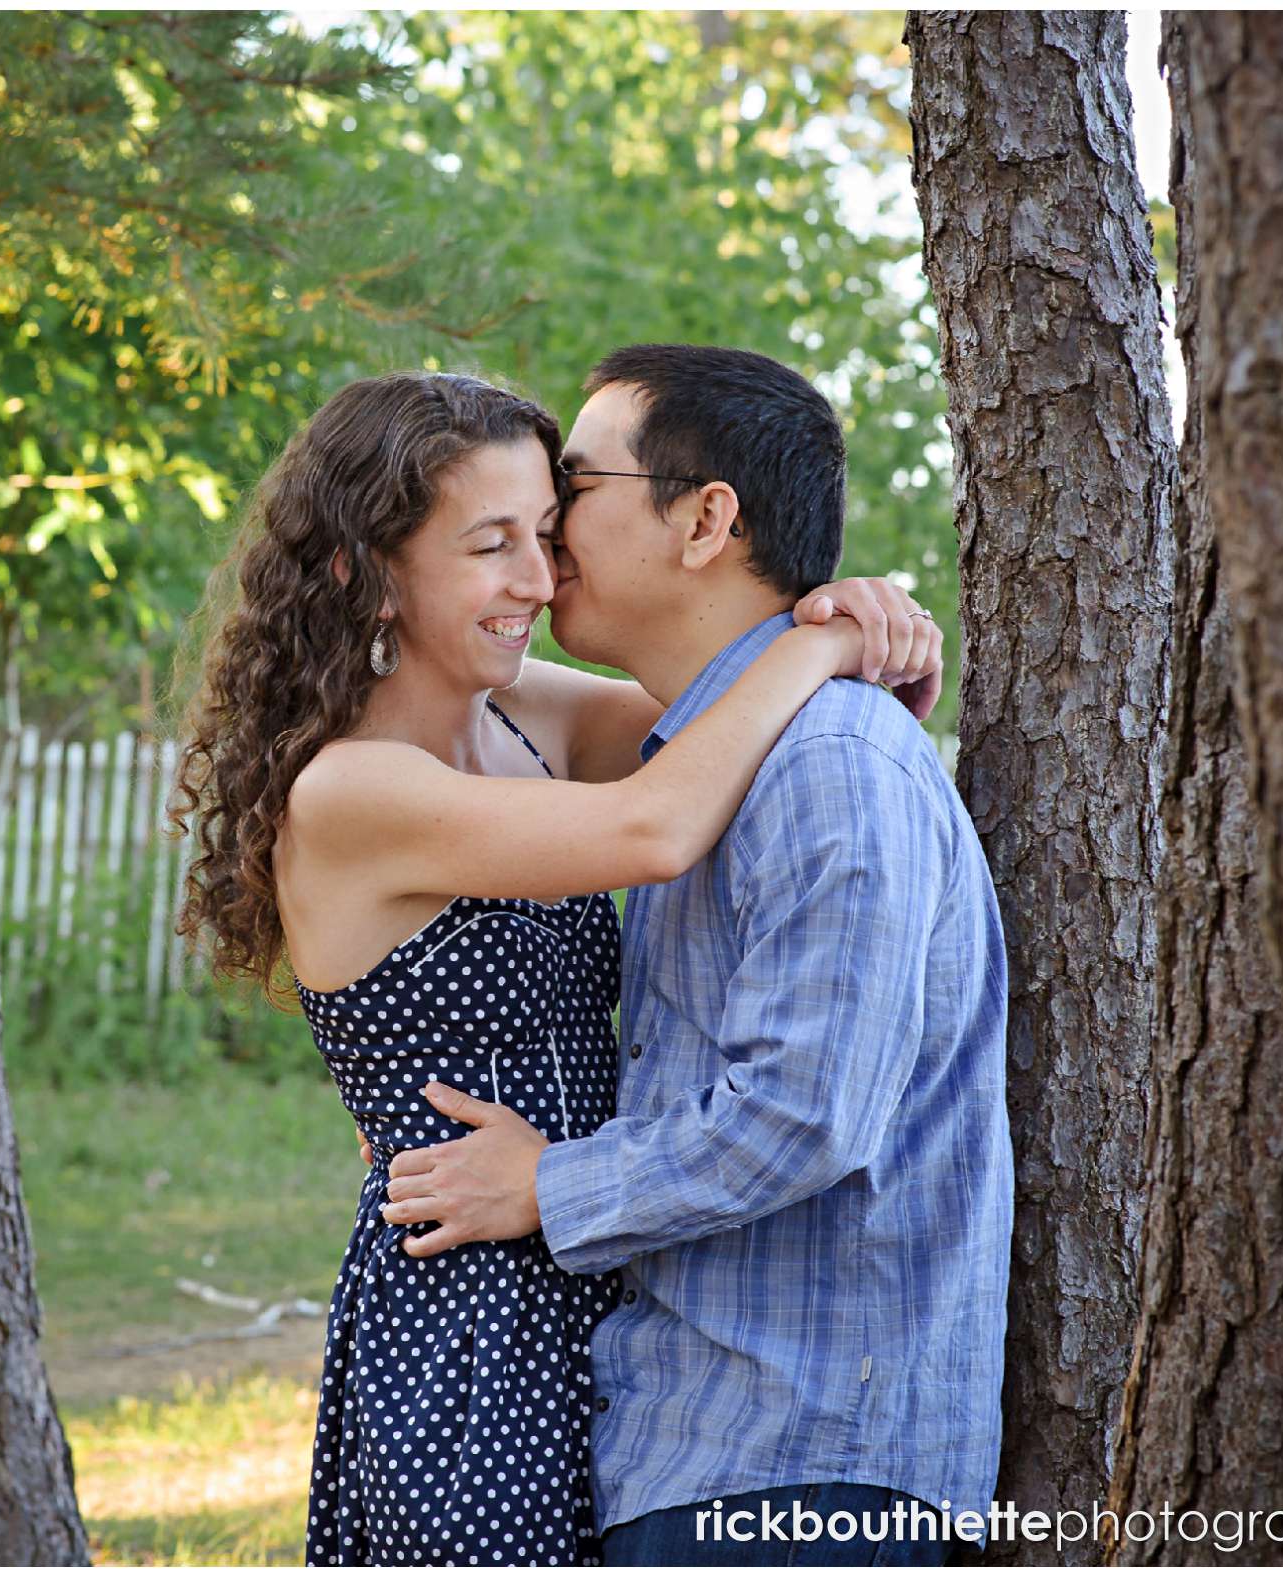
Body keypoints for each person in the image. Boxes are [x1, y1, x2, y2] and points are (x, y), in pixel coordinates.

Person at [169, 368, 944, 1566]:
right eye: (490, 546)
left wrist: (845, 627)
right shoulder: (350, 790)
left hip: (604, 1268)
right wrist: (823, 639)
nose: (537, 579)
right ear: (362, 567)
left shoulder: (524, 715)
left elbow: (720, 712)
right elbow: (657, 823)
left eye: (544, 532)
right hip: (472, 1313)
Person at [377, 345, 1014, 1566]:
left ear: (704, 517)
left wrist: (542, 1184)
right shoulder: (714, 751)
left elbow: (803, 1111)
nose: (552, 525)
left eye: (577, 483)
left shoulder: (826, 760)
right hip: (711, 1443)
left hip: (799, 1464)